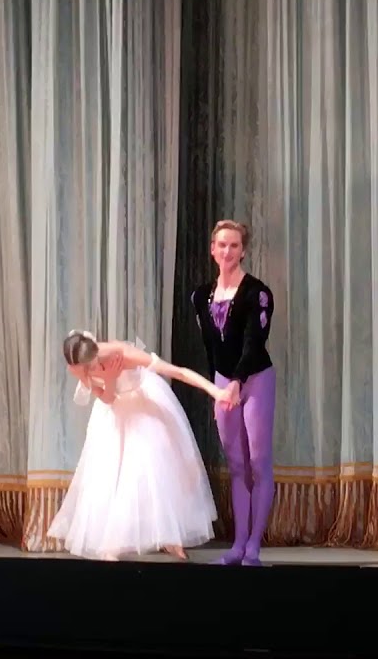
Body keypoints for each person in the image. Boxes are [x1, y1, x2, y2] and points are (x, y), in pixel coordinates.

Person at [47, 330, 234, 562]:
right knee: (113, 477)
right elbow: (107, 399)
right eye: (85, 370)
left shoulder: (123, 355)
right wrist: (109, 379)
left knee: (155, 474)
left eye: (92, 366)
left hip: (145, 407)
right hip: (116, 412)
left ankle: (168, 536)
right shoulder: (77, 365)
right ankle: (112, 542)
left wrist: (216, 391)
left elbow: (179, 372)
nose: (90, 372)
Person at [190, 220, 277, 567]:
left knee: (258, 462)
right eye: (222, 245)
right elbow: (212, 348)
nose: (227, 251)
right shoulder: (200, 296)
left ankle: (254, 543)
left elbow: (256, 343)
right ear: (212, 249)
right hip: (224, 382)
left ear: (243, 250)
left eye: (234, 246)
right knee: (237, 465)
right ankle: (238, 543)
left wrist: (238, 381)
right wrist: (219, 385)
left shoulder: (258, 293)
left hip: (254, 378)